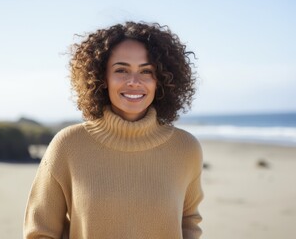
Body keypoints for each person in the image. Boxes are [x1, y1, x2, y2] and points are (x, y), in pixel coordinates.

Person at [24, 21, 203, 239]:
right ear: (102, 77)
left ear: (161, 80)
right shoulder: (68, 145)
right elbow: (40, 232)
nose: (134, 81)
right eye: (121, 70)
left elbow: (189, 223)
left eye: (146, 71)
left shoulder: (186, 148)